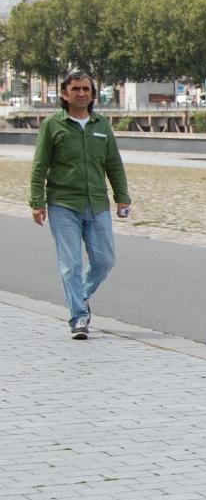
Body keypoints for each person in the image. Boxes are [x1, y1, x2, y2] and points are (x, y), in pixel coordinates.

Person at [29, 71, 131, 339]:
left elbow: (113, 164)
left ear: (93, 94)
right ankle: (78, 318)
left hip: (97, 203)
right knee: (70, 264)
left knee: (105, 260)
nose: (82, 93)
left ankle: (80, 295)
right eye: (76, 89)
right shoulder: (53, 125)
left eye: (86, 89)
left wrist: (123, 196)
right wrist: (37, 202)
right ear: (65, 94)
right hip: (63, 204)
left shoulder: (102, 126)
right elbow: (40, 166)